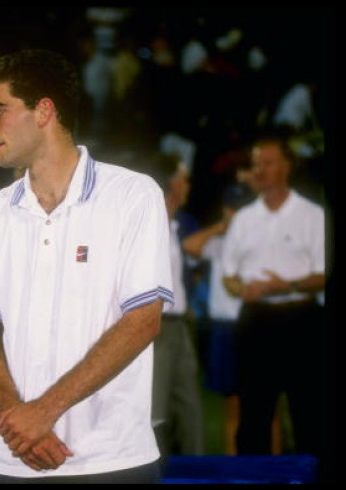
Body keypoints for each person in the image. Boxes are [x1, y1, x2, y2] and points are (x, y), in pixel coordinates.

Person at [0, 49, 173, 483]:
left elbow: (144, 320)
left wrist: (43, 412)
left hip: (113, 458)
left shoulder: (133, 195)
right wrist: (20, 423)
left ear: (44, 111)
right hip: (12, 458)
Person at [221, 133, 326, 461]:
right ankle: (251, 478)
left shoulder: (312, 216)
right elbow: (228, 275)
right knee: (254, 413)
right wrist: (243, 290)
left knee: (309, 411)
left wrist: (287, 287)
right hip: (256, 322)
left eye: (268, 163)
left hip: (300, 319)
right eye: (256, 164)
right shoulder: (243, 220)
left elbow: (322, 275)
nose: (260, 170)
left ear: (287, 167)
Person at [181, 183, 279, 456]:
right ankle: (235, 468)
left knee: (268, 406)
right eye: (231, 208)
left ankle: (278, 469)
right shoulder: (219, 242)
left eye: (241, 209)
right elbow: (190, 246)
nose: (235, 213)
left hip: (260, 325)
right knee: (233, 405)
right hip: (225, 331)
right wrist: (221, 227)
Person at [135, 152, 205, 462]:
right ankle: (153, 469)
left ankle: (195, 469)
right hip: (157, 326)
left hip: (180, 325)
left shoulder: (180, 225)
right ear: (172, 185)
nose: (188, 186)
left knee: (189, 403)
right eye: (184, 179)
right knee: (156, 407)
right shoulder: (146, 226)